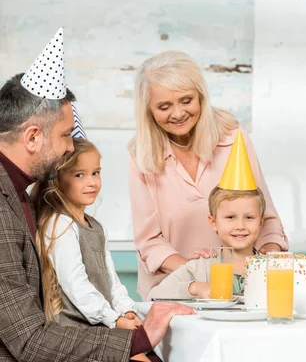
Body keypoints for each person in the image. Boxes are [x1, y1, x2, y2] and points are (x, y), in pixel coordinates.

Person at [0, 28, 194, 361]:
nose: (68, 149)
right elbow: (29, 341)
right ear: (32, 137)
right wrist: (135, 341)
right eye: (63, 136)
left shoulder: (18, 194)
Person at [129, 50, 288, 300]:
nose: (178, 113)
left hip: (242, 290)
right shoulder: (141, 156)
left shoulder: (233, 138)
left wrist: (262, 265)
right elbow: (149, 241)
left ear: (201, 97)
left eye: (186, 101)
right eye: (164, 106)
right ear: (148, 110)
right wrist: (198, 275)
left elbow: (266, 218)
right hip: (174, 291)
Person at [31, 138, 149, 354]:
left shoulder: (96, 227)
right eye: (79, 175)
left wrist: (125, 310)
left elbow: (111, 281)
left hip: (100, 322)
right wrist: (114, 319)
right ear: (57, 180)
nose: (92, 182)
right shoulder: (60, 225)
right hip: (75, 330)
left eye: (96, 172)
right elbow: (76, 285)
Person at [148, 131, 263, 299]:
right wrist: (194, 287)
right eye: (230, 217)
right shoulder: (199, 268)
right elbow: (155, 295)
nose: (240, 225)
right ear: (213, 222)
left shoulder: (272, 267)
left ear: (261, 222)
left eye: (249, 217)